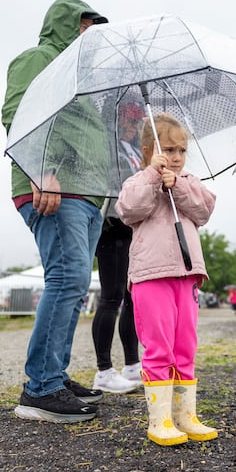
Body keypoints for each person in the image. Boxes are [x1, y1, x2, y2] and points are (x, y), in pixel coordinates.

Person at [1, 0, 109, 423]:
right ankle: (39, 388)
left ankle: (55, 376)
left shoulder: (82, 77)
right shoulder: (39, 59)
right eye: (87, 26)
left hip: (86, 193)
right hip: (52, 187)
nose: (92, 35)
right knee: (66, 278)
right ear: (70, 24)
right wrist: (40, 167)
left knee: (76, 283)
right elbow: (18, 112)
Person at [116, 114, 217, 446]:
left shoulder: (188, 180)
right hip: (151, 276)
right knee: (159, 346)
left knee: (185, 345)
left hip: (186, 275)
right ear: (149, 151)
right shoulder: (138, 181)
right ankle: (160, 420)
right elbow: (129, 209)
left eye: (182, 150)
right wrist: (153, 178)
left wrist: (181, 186)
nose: (176, 157)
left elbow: (204, 210)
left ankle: (185, 415)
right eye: (169, 149)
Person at [91, 102, 145, 394]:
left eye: (137, 121)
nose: (132, 125)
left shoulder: (137, 150)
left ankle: (132, 364)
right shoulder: (108, 146)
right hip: (111, 226)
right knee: (110, 298)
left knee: (131, 298)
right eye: (128, 118)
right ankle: (103, 370)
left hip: (133, 229)